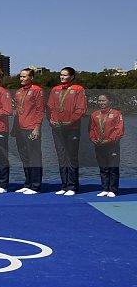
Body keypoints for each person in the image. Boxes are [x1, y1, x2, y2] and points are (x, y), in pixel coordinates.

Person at [47, 67, 87, 196]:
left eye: (65, 75)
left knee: (71, 157)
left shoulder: (78, 89)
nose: (62, 77)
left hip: (71, 128)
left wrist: (70, 121)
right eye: (60, 75)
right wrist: (51, 120)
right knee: (61, 156)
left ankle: (72, 186)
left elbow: (81, 109)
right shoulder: (55, 89)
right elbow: (50, 107)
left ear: (72, 77)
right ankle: (64, 185)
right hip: (57, 128)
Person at [14, 68, 45, 194]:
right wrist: (14, 128)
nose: (22, 79)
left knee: (34, 157)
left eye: (25, 76)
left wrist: (37, 128)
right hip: (20, 130)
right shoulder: (19, 91)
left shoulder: (37, 90)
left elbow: (40, 110)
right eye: (21, 76)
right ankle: (28, 183)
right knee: (25, 157)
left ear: (31, 78)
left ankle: (35, 185)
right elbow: (18, 111)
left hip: (32, 129)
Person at [89, 94, 123, 198]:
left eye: (104, 101)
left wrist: (109, 140)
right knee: (103, 168)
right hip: (99, 145)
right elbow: (91, 129)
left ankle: (113, 190)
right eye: (99, 101)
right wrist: (93, 139)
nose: (101, 103)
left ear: (110, 101)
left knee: (113, 168)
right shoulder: (94, 115)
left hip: (112, 145)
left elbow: (119, 130)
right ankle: (105, 188)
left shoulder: (117, 114)